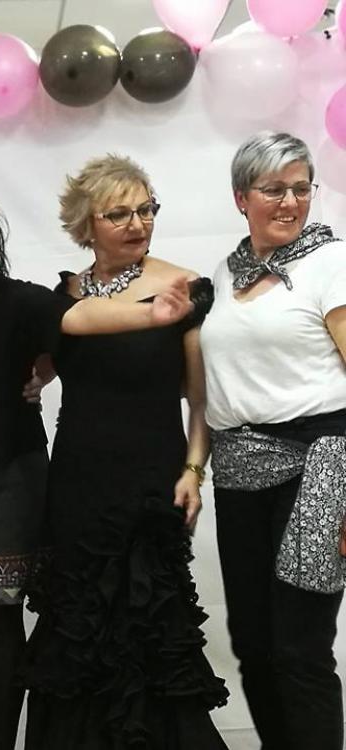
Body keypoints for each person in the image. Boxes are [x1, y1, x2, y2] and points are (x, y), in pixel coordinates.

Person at [0, 182, 200, 750]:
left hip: (11, 482)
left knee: (2, 621)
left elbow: (80, 318)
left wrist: (150, 313)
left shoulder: (20, 301)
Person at [17, 157, 228, 749]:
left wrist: (194, 471)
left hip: (151, 480)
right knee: (78, 622)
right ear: (86, 224)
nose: (138, 224)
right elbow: (40, 370)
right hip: (78, 481)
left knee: (146, 620)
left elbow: (202, 401)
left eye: (146, 210)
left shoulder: (185, 288)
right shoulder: (66, 296)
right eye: (119, 214)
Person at [200, 131, 346, 750]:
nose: (290, 202)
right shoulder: (225, 273)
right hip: (238, 470)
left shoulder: (332, 262)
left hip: (321, 464)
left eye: (301, 188)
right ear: (241, 197)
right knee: (253, 646)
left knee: (300, 648)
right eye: (274, 190)